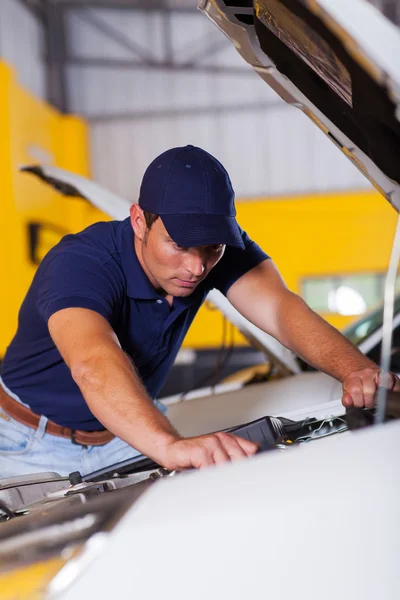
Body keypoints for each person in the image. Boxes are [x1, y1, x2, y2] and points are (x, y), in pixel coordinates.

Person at [0, 145, 397, 478]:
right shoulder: (81, 263)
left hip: (119, 435)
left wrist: (355, 370)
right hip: (21, 440)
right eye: (178, 246)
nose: (196, 268)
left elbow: (280, 308)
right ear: (139, 220)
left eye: (212, 250)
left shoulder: (212, 246)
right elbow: (93, 360)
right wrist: (170, 445)